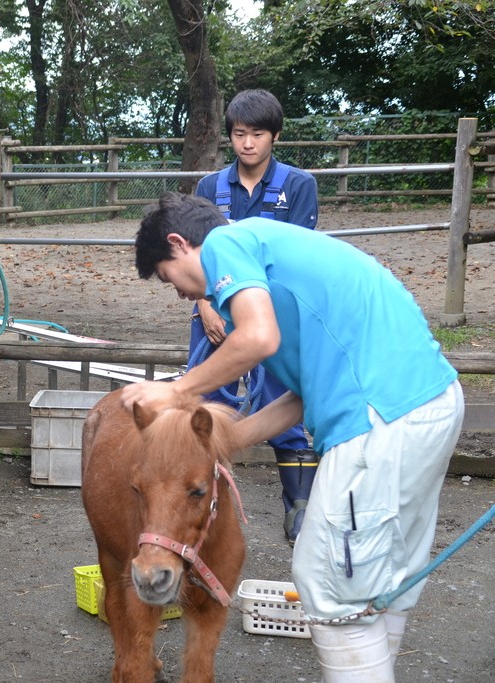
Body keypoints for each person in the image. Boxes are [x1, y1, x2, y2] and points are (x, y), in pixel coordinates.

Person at [124, 192, 463, 682]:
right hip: (424, 404)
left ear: (179, 244)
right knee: (380, 580)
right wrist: (224, 440)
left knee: (328, 581)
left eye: (166, 275)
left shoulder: (227, 240)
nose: (178, 292)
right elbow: (301, 399)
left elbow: (258, 339)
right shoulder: (276, 261)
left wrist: (174, 390)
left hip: (378, 420)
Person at [193, 88, 320, 544]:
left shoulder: (298, 185)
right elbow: (198, 256)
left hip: (276, 313)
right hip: (216, 310)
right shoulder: (210, 187)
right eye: (240, 134)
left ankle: (299, 510)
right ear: (230, 137)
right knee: (206, 403)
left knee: (282, 399)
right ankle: (198, 507)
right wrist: (205, 306)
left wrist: (265, 320)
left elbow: (297, 262)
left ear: (275, 136)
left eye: (258, 134)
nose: (248, 143)